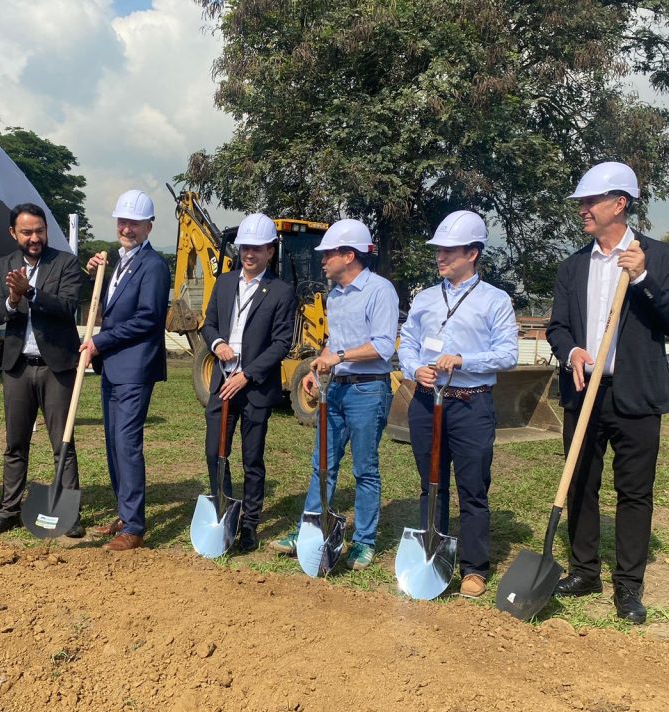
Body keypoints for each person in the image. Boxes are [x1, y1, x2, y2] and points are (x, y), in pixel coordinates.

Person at [547, 161, 669, 624]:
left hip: (637, 396)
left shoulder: (662, 258)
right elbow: (557, 327)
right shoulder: (573, 267)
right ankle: (584, 571)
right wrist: (570, 350)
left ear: (620, 204)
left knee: (634, 493)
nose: (583, 210)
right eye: (582, 203)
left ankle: (628, 586)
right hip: (583, 393)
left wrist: (645, 280)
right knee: (580, 485)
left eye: (590, 202)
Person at [396, 211, 518, 598]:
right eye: (438, 250)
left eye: (449, 251)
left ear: (473, 253)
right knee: (430, 483)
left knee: (473, 486)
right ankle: (432, 552)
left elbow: (508, 354)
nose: (440, 257)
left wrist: (464, 360)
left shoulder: (495, 301)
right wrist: (416, 368)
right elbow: (408, 341)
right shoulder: (425, 298)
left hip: (471, 404)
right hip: (426, 402)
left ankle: (473, 567)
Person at [269, 219, 399, 570]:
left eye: (328, 254)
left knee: (365, 470)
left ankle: (364, 543)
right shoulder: (336, 296)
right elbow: (334, 344)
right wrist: (316, 368)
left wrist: (338, 358)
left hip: (367, 390)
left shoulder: (380, 291)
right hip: (335, 389)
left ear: (349, 255)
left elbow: (384, 346)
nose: (323, 260)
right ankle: (309, 530)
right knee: (321, 465)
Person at [0, 203, 84, 537]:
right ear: (14, 233)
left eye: (39, 230)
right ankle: (9, 510)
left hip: (57, 368)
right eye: (27, 232)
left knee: (62, 444)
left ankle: (69, 513)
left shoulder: (65, 262)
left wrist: (32, 293)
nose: (35, 237)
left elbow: (68, 307)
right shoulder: (3, 266)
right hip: (18, 367)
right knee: (15, 444)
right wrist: (13, 300)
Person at [201, 213, 297, 553]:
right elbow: (208, 324)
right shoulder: (225, 283)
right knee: (215, 451)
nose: (249, 254)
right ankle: (224, 511)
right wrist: (217, 345)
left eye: (257, 248)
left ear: (270, 251)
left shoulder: (282, 292)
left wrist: (247, 374)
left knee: (251, 458)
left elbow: (281, 343)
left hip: (254, 387)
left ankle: (251, 524)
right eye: (245, 248)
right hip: (222, 382)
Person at [83, 189, 170, 551]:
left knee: (127, 444)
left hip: (135, 368)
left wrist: (100, 343)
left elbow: (149, 318)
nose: (127, 228)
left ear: (149, 226)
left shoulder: (154, 266)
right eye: (123, 222)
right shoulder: (118, 261)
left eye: (134, 223)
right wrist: (95, 276)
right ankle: (123, 513)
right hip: (114, 368)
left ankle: (134, 526)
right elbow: (111, 305)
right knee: (113, 442)